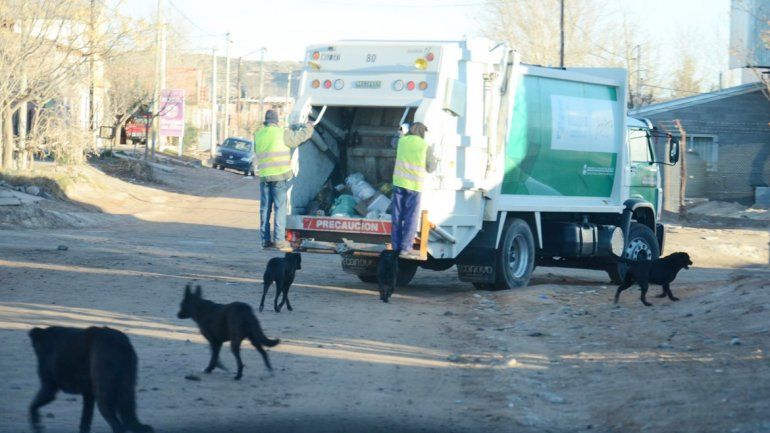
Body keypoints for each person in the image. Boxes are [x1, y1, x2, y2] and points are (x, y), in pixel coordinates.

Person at [254, 109, 314, 251]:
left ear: (266, 121)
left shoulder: (258, 134)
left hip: (264, 177)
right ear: (276, 121)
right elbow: (298, 138)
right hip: (279, 177)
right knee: (280, 209)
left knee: (264, 210)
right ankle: (279, 241)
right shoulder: (282, 133)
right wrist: (309, 126)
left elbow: (258, 152)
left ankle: (265, 240)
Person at [390, 122, 438, 260]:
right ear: (423, 132)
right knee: (411, 217)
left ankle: (395, 246)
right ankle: (405, 248)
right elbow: (431, 168)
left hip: (399, 184)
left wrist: (399, 132)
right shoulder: (425, 146)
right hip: (414, 187)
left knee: (397, 216)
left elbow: (392, 142)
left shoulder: (402, 141)